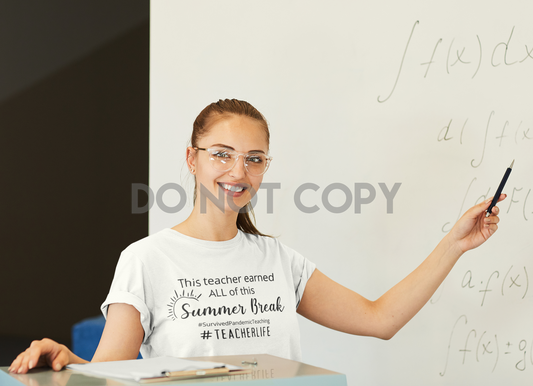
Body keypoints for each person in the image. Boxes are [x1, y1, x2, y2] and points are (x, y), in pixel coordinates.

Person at [9, 99, 505, 374]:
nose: (237, 171)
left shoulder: (278, 260)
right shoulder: (146, 259)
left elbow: (380, 320)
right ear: (192, 158)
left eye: (253, 158)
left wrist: (455, 244)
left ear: (265, 167)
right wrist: (67, 361)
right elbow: (111, 375)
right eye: (221, 153)